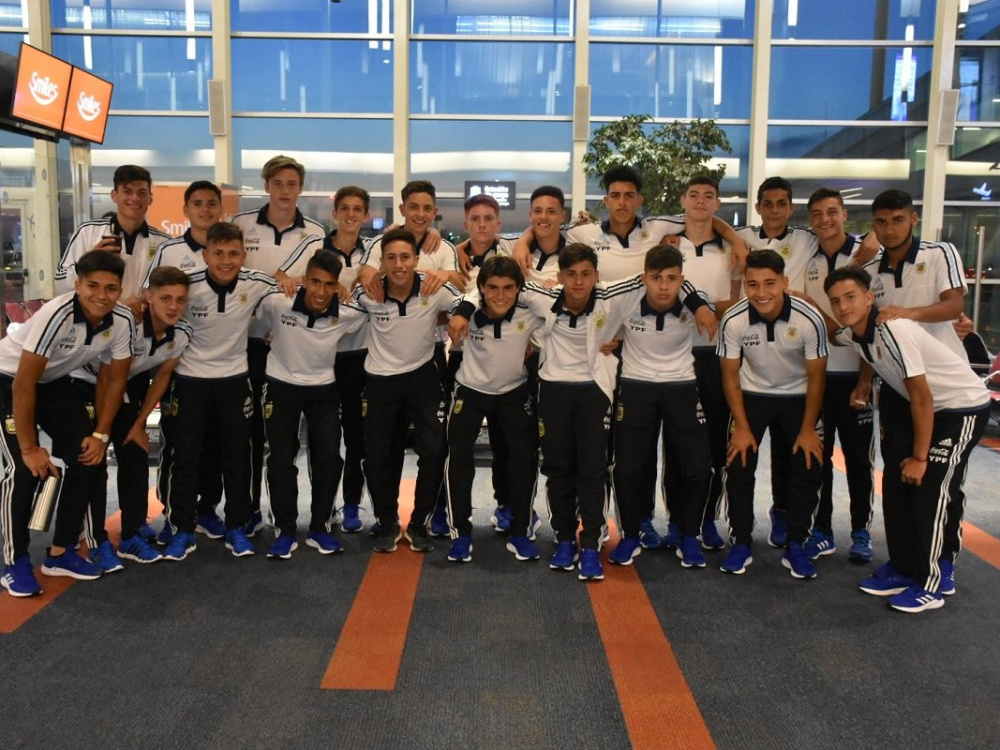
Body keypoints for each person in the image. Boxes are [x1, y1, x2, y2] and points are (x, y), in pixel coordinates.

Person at [824, 266, 990, 612]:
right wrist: (801, 299)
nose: (843, 306)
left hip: (960, 408)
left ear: (869, 298)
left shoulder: (893, 329)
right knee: (898, 489)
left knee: (931, 490)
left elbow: (921, 397)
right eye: (835, 301)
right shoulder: (858, 334)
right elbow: (836, 334)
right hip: (930, 409)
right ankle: (903, 566)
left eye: (850, 297)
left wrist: (920, 457)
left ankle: (930, 583)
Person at [0, 251, 134, 596]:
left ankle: (60, 553)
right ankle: (14, 562)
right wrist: (30, 448)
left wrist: (101, 434)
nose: (101, 295)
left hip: (52, 382)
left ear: (120, 290)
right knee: (23, 469)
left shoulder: (122, 320)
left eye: (110, 288)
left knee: (89, 456)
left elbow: (113, 381)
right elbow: (23, 384)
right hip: (9, 379)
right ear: (77, 285)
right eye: (92, 286)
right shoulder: (57, 314)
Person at [161, 222, 279, 562]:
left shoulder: (257, 283)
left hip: (234, 381)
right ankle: (182, 528)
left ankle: (237, 527)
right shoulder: (188, 285)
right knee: (186, 458)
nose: (226, 260)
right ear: (205, 255)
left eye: (233, 253)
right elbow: (154, 301)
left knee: (238, 458)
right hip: (190, 381)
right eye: (218, 253)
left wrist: (291, 282)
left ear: (243, 255)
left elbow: (290, 290)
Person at [357, 181, 462, 537]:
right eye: (392, 258)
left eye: (426, 207)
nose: (399, 264)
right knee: (379, 453)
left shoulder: (437, 265)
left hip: (424, 369)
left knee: (433, 448)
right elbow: (349, 291)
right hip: (380, 377)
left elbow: (466, 292)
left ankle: (422, 521)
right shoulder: (370, 285)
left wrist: (456, 310)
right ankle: (386, 520)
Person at [717, 249, 827, 579]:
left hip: (799, 396)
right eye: (753, 284)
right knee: (739, 465)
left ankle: (797, 544)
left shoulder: (809, 318)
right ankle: (741, 542)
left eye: (769, 283)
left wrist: (808, 429)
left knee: (807, 465)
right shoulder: (734, 319)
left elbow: (817, 378)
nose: (761, 292)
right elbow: (730, 376)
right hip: (751, 395)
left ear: (784, 282)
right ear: (745, 285)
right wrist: (741, 426)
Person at [232, 155, 326, 537]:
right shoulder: (241, 225)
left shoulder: (316, 232)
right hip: (245, 343)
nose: (285, 190)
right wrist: (273, 281)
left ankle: (294, 513)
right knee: (250, 434)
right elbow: (231, 273)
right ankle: (249, 509)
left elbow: (317, 286)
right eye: (277, 183)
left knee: (284, 441)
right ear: (266, 185)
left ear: (300, 188)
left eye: (291, 184)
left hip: (288, 346)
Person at [73, 267, 192, 567]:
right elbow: (107, 378)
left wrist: (139, 422)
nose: (173, 306)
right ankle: (96, 540)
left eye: (180, 299)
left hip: (123, 386)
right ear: (149, 296)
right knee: (93, 462)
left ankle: (130, 534)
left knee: (135, 453)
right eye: (165, 298)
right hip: (86, 385)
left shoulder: (182, 332)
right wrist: (102, 431)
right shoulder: (130, 322)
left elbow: (162, 377)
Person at [255, 249, 367, 559]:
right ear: (304, 280)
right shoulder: (277, 301)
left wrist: (352, 289)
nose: (320, 292)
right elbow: (253, 305)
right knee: (280, 458)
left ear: (336, 286)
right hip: (280, 385)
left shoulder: (349, 312)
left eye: (329, 284)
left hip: (323, 389)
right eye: (315, 282)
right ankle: (285, 529)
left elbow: (372, 309)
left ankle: (320, 527)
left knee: (329, 458)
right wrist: (279, 285)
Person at [609, 245, 715, 569]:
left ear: (681, 279)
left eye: (671, 278)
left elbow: (699, 297)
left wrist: (699, 304)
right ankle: (630, 534)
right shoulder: (627, 296)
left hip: (681, 385)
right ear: (645, 278)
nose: (664, 286)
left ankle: (688, 535)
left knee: (698, 466)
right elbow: (595, 298)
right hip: (636, 385)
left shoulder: (694, 300)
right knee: (629, 467)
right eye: (656, 278)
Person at [278, 186, 374, 534]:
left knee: (357, 438)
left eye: (357, 209)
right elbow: (282, 277)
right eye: (344, 208)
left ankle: (351, 504)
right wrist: (327, 290)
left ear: (366, 215)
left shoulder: (373, 250)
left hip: (360, 356)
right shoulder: (314, 244)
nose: (350, 215)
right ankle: (326, 507)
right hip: (321, 357)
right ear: (335, 213)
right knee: (323, 444)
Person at [735, 177, 820, 549]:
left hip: (795, 372)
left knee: (798, 458)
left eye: (781, 203)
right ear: (757, 207)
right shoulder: (742, 236)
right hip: (753, 373)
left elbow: (840, 236)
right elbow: (708, 224)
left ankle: (790, 523)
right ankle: (740, 536)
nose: (773, 210)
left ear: (791, 207)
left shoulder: (805, 239)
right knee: (740, 458)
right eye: (767, 203)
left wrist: (866, 249)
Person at [659, 176, 741, 553]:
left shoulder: (730, 248)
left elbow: (739, 303)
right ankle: (677, 520)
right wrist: (700, 306)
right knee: (675, 445)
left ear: (717, 203)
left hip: (716, 356)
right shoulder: (669, 245)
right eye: (694, 195)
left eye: (709, 196)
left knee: (714, 445)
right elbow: (661, 293)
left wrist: (701, 306)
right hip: (676, 356)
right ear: (683, 200)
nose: (701, 202)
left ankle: (707, 519)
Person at [141, 180, 227, 543]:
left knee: (215, 445)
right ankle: (173, 514)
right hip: (178, 364)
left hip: (221, 368)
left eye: (211, 203)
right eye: (198, 203)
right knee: (180, 446)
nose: (205, 209)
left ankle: (207, 509)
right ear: (186, 210)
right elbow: (150, 296)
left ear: (220, 208)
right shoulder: (170, 250)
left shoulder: (226, 249)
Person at [444, 256, 542, 563]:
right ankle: (460, 533)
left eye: (508, 288)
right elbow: (459, 300)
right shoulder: (465, 308)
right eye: (493, 288)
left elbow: (561, 308)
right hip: (470, 391)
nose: (500, 295)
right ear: (482, 288)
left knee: (524, 459)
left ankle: (520, 530)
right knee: (458, 459)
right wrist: (464, 309)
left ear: (518, 288)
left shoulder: (530, 312)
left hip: (514, 392)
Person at [800, 188, 875, 563]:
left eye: (832, 211)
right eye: (816, 213)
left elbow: (872, 327)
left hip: (856, 376)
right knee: (818, 457)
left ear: (845, 214)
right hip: (816, 377)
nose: (824, 219)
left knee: (859, 459)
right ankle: (822, 530)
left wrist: (866, 378)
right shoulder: (806, 255)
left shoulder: (869, 253)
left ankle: (861, 531)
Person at [55, 165, 172, 315]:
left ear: (150, 198)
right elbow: (60, 284)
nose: (135, 198)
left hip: (143, 322)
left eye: (142, 193)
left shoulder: (163, 243)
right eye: (127, 192)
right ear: (114, 195)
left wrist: (142, 301)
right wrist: (90, 261)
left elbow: (170, 289)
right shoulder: (88, 232)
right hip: (97, 320)